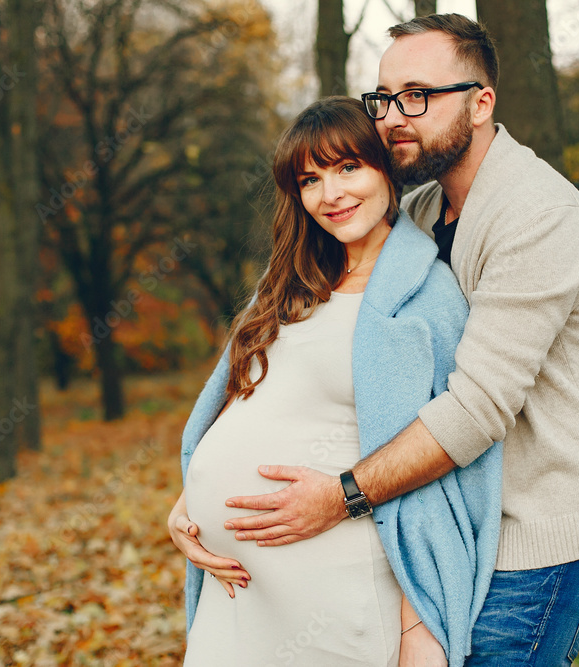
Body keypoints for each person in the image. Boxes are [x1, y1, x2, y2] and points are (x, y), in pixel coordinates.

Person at [217, 14, 579, 666]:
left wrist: (342, 496)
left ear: (481, 103)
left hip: (542, 538)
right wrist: (203, 491)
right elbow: (328, 345)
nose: (392, 117)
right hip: (461, 527)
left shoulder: (537, 218)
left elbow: (475, 410)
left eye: (417, 95)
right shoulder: (419, 213)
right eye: (384, 98)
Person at [168, 96, 502, 667]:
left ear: (386, 171)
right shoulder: (285, 285)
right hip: (238, 591)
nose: (332, 194)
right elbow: (251, 400)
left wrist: (417, 626)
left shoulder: (426, 296)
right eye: (311, 178)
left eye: (349, 168)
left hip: (332, 593)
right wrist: (189, 502)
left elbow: (444, 464)